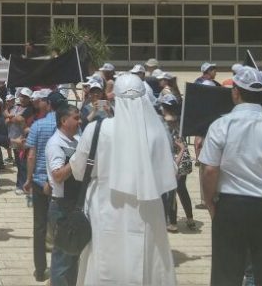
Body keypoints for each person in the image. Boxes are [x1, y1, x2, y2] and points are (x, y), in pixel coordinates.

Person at [69, 73, 177, 285]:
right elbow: (167, 172)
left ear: (115, 98)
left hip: (105, 206)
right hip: (147, 209)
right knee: (147, 262)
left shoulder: (97, 129)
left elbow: (79, 171)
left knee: (105, 261)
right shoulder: (157, 132)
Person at [200, 66, 262, 286]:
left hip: (230, 205)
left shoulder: (221, 125)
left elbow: (210, 170)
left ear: (235, 92)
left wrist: (210, 202)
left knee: (226, 273)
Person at [45, 105, 82, 286]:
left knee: (72, 259)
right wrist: (76, 158)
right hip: (62, 208)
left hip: (73, 206)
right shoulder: (55, 144)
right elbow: (58, 176)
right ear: (63, 121)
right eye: (76, 118)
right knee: (62, 262)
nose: (79, 121)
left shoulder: (75, 141)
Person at [24, 88, 56, 282]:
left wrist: (28, 179)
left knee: (39, 226)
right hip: (60, 182)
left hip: (39, 180)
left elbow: (31, 155)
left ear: (49, 104)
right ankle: (60, 266)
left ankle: (40, 268)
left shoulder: (38, 125)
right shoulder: (69, 124)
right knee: (60, 224)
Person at [159, 94, 196, 233]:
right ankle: (190, 219)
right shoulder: (180, 119)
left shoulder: (164, 121)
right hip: (184, 157)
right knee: (182, 189)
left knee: (172, 191)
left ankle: (173, 223)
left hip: (174, 158)